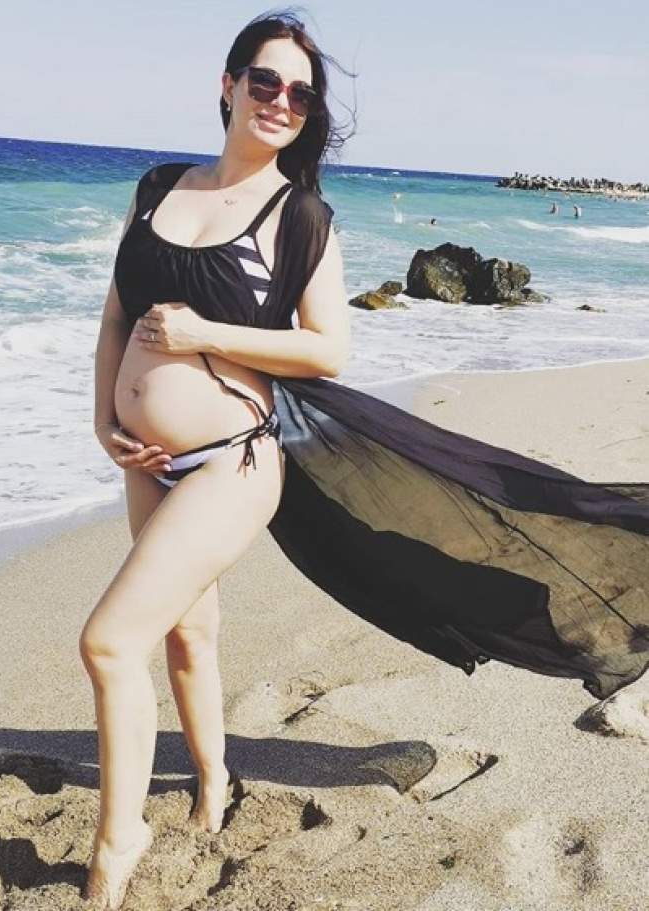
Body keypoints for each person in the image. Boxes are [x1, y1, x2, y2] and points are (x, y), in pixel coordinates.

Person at [85, 10, 649, 908]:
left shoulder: (299, 215)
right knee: (187, 635)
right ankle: (214, 779)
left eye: (300, 94)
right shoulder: (158, 187)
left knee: (110, 641)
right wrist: (104, 425)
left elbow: (327, 349)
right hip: (145, 459)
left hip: (233, 461)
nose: (281, 101)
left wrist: (203, 334)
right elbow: (117, 314)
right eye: (265, 81)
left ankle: (119, 842)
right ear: (227, 86)